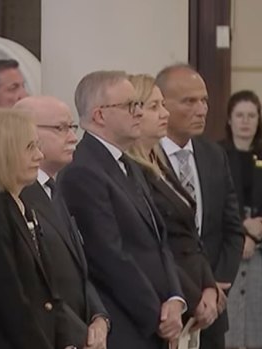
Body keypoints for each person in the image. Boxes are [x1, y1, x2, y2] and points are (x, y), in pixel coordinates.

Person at [60, 70, 185, 349]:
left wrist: (176, 299)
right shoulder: (83, 169)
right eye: (131, 106)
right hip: (126, 324)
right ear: (100, 115)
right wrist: (157, 317)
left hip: (157, 319)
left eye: (140, 105)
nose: (139, 112)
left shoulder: (128, 164)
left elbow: (159, 240)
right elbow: (109, 256)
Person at [0, 108, 87, 349]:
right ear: (3, 153)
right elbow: (9, 298)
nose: (39, 156)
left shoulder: (20, 205)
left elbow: (47, 290)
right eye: (30, 148)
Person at [156, 64, 244, 349]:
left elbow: (232, 228)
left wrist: (217, 284)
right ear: (163, 104)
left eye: (204, 100)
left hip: (213, 308)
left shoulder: (213, 155)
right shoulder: (144, 160)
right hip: (167, 304)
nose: (201, 109)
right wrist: (193, 292)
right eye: (189, 101)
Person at [126, 74, 219, 343]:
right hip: (169, 300)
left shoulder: (158, 160)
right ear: (134, 113)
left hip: (193, 296)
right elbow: (155, 245)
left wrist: (209, 286)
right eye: (155, 107)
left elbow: (190, 236)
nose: (164, 113)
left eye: (163, 106)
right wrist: (191, 295)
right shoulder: (133, 171)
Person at [16, 95, 110, 349]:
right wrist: (79, 334)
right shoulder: (19, 196)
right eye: (60, 128)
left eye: (72, 128)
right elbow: (36, 285)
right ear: (26, 132)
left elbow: (79, 270)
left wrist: (99, 317)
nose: (72, 137)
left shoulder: (54, 190)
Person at [220, 90, 262, 349]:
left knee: (260, 319)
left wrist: (254, 230)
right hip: (228, 244)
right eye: (240, 115)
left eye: (251, 115)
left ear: (259, 119)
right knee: (230, 322)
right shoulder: (217, 153)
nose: (245, 121)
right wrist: (242, 229)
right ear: (229, 119)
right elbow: (218, 198)